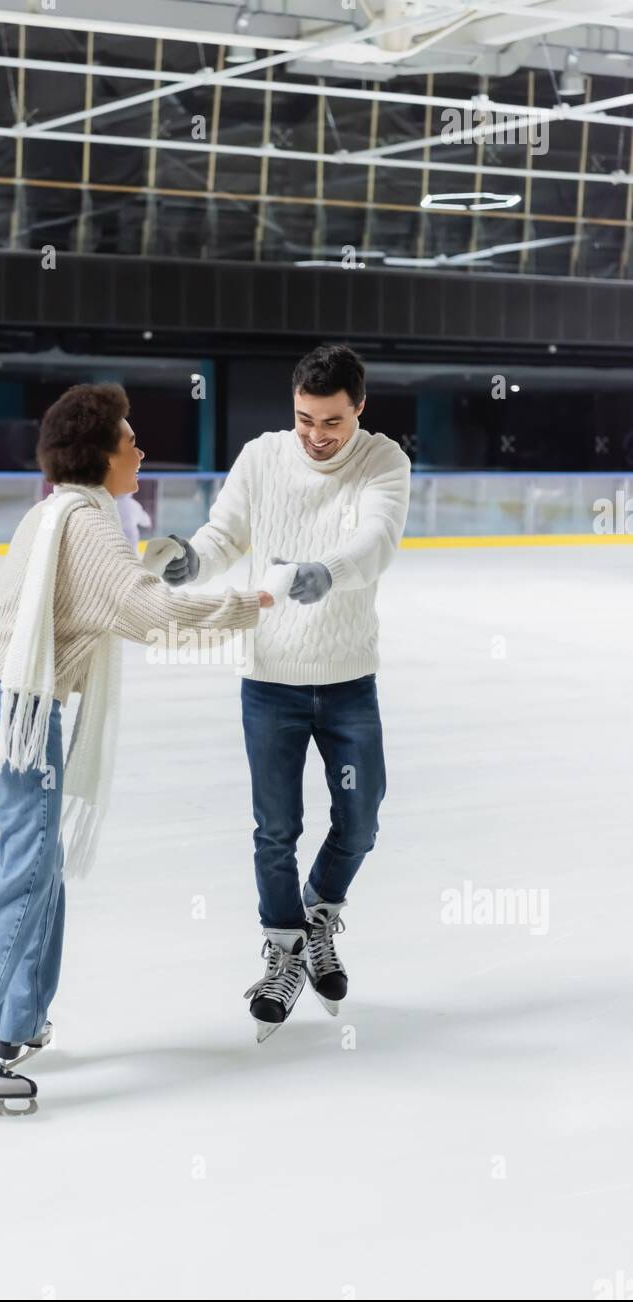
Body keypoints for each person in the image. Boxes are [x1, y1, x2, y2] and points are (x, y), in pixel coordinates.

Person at [0, 383, 273, 1113]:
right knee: (21, 869)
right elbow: (147, 615)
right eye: (130, 439)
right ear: (102, 452)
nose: (140, 450)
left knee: (36, 863)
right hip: (18, 706)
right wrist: (246, 605)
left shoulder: (57, 515)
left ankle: (18, 1021)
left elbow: (110, 595)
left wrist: (161, 561)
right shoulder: (87, 524)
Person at [159, 344, 411, 1041]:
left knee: (360, 819)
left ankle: (317, 914)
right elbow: (222, 533)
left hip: (346, 678)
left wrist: (326, 571)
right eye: (303, 418)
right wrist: (191, 560)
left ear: (358, 408)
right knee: (275, 830)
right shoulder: (263, 456)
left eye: (330, 421)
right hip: (270, 681)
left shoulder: (382, 461)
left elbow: (376, 539)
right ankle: (284, 949)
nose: (316, 435)